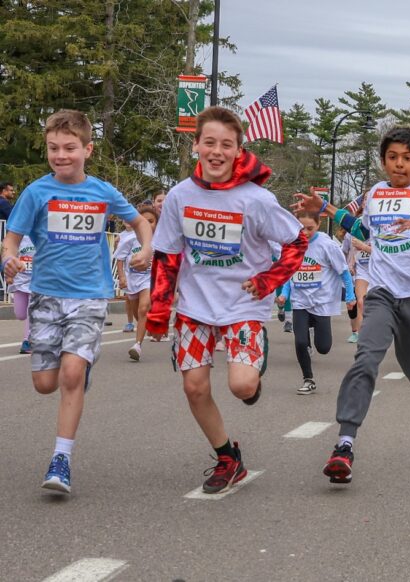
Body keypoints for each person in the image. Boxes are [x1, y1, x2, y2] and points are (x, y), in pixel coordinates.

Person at [292, 126, 410, 485]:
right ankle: (344, 444)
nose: (399, 164)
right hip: (382, 293)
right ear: (384, 161)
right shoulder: (375, 193)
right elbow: (359, 227)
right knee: (366, 358)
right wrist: (325, 208)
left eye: (407, 158)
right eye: (392, 157)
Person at [147, 106, 307, 494]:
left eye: (227, 145)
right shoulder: (180, 196)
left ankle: (252, 378)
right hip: (194, 306)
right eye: (210, 143)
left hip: (242, 306)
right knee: (195, 388)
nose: (217, 152)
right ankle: (227, 457)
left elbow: (297, 240)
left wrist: (268, 279)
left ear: (239, 150)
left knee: (241, 386)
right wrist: (158, 311)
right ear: (196, 145)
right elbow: (167, 256)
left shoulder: (256, 199)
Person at [1, 109, 153, 494]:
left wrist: (147, 248)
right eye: (53, 148)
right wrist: (8, 259)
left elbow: (140, 222)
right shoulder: (37, 192)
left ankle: (61, 459)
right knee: (44, 383)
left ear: (88, 149)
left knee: (69, 375)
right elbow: (12, 239)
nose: (61, 155)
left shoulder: (102, 192)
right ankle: (78, 366)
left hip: (90, 295)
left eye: (70, 148)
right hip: (46, 295)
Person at [277, 211, 354, 395]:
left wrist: (350, 296)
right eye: (301, 228)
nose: (305, 232)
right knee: (301, 342)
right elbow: (289, 273)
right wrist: (284, 294)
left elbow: (343, 272)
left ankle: (312, 327)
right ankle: (308, 379)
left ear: (318, 225)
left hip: (321, 302)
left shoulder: (326, 245)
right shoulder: (292, 245)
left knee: (324, 347)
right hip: (300, 301)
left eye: (310, 228)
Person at [113, 202, 159, 361]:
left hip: (149, 280)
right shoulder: (130, 239)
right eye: (144, 221)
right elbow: (119, 258)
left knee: (143, 308)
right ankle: (146, 326)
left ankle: (137, 345)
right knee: (136, 312)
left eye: (151, 221)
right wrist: (122, 277)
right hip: (133, 281)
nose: (148, 225)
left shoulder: (160, 241)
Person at [341, 231, 373, 343]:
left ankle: (374, 330)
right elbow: (350, 252)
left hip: (378, 272)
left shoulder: (380, 228)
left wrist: (364, 247)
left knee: (375, 304)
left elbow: (384, 253)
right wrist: (350, 265)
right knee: (359, 303)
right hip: (361, 272)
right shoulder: (351, 233)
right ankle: (359, 334)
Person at [7, 234, 35, 353]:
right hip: (20, 279)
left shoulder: (40, 236)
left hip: (36, 281)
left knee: (30, 310)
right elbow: (8, 257)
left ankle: (27, 341)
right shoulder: (18, 238)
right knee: (20, 314)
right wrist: (8, 276)